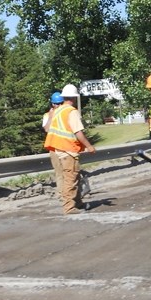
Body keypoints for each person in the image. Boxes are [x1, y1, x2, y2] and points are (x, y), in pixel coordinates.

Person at [44, 83, 96, 214]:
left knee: (73, 176)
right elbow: (78, 132)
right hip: (68, 149)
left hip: (59, 148)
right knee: (71, 178)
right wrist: (89, 146)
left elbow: (49, 129)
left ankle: (77, 202)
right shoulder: (71, 112)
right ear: (74, 98)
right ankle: (69, 207)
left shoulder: (57, 111)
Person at [43, 91, 65, 201]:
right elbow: (47, 129)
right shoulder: (47, 115)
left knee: (70, 171)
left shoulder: (66, 113)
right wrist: (51, 116)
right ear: (52, 104)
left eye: (60, 103)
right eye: (56, 104)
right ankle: (61, 194)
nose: (58, 106)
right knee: (59, 172)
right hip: (54, 147)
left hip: (66, 146)